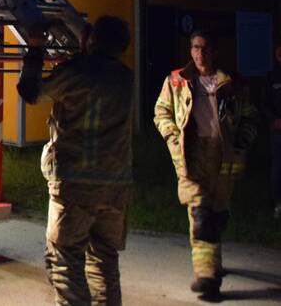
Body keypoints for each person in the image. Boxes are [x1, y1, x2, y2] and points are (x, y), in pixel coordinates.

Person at [18, 15, 133, 306]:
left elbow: (31, 92)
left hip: (75, 186)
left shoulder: (77, 71)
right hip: (116, 187)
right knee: (104, 261)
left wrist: (35, 48)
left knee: (66, 261)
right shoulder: (126, 77)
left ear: (92, 40)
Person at [154, 29, 257, 301]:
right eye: (196, 47)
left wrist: (242, 141)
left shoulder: (230, 83)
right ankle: (207, 278)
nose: (201, 53)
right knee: (200, 215)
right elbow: (161, 112)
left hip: (224, 157)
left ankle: (214, 265)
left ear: (215, 51)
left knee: (217, 213)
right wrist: (173, 139)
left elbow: (250, 114)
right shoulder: (176, 81)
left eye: (206, 48)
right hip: (191, 153)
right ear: (190, 50)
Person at [264, 42, 281, 221]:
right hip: (277, 131)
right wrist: (273, 120)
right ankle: (278, 204)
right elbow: (265, 103)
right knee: (277, 168)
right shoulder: (271, 77)